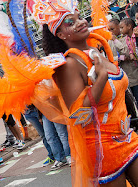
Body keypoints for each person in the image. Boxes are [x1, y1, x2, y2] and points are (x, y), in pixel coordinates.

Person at [34, 1, 138, 185]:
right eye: (70, 22)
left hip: (127, 135)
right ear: (59, 34)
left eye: (79, 17)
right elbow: (78, 114)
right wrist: (101, 78)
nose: (80, 22)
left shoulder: (96, 49)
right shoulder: (69, 65)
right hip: (102, 147)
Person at [119, 18, 138, 102]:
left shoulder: (135, 36)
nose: (120, 30)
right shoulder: (126, 39)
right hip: (132, 73)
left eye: (122, 27)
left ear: (129, 26)